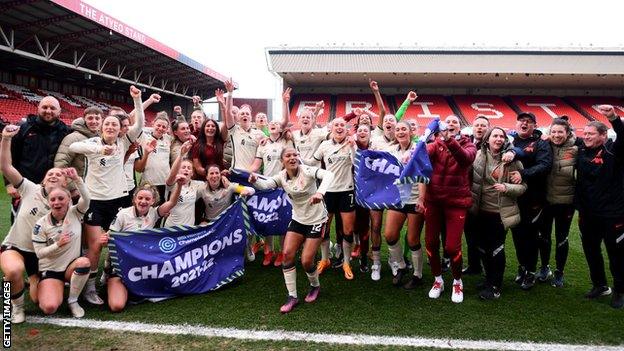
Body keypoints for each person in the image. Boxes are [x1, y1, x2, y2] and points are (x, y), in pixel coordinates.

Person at [68, 85, 145, 305]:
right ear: (101, 126)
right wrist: (99, 150)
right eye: (107, 123)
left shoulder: (124, 142)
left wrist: (137, 100)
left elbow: (139, 124)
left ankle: (109, 273)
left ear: (120, 128)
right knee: (95, 245)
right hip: (94, 201)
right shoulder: (93, 142)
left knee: (117, 242)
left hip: (119, 200)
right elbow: (73, 146)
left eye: (115, 124)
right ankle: (89, 288)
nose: (111, 126)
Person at [249, 147, 335, 313]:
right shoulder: (281, 176)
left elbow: (329, 175)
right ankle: (292, 296)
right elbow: (266, 185)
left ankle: (315, 286)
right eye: (288, 156)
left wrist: (320, 193)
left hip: (317, 220)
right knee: (287, 255)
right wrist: (254, 181)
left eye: (295, 155)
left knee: (306, 261)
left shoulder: (307, 170)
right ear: (282, 160)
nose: (292, 158)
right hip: (298, 219)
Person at [0, 125, 70, 323]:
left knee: (41, 301)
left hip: (42, 256)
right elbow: (5, 167)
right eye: (50, 174)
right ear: (43, 180)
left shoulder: (67, 203)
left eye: (59, 174)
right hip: (17, 247)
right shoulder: (30, 189)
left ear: (65, 183)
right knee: (13, 271)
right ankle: (13, 308)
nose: (54, 175)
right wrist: (6, 139)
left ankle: (28, 281)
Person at [104, 181, 184, 312]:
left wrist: (179, 186)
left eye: (147, 199)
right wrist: (106, 238)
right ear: (134, 199)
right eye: (140, 198)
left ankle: (135, 288)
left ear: (153, 201)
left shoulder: (153, 213)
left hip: (143, 265)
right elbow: (111, 236)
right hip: (122, 266)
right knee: (117, 306)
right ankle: (109, 276)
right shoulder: (123, 214)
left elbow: (171, 203)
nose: (143, 201)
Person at [575, 105, 624, 309]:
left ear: (603, 135)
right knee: (591, 250)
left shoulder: (613, 150)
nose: (586, 137)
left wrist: (613, 117)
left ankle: (620, 291)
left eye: (591, 134)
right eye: (584, 133)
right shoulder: (581, 151)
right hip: (587, 214)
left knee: (617, 254)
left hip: (613, 214)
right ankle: (600, 285)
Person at [424, 115, 477, 303]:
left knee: (452, 246)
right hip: (434, 201)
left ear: (460, 128)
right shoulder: (435, 144)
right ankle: (438, 280)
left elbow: (465, 159)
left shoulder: (469, 144)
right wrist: (413, 153)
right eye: (448, 122)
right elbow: (424, 153)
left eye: (455, 122)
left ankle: (457, 281)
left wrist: (449, 140)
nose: (451, 125)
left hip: (456, 202)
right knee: (430, 243)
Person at [470, 127, 527, 300]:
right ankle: (489, 278)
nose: (498, 139)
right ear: (487, 139)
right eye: (495, 135)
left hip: (499, 212)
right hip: (479, 210)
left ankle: (495, 286)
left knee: (496, 248)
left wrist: (507, 187)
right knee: (482, 247)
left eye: (501, 136)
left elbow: (523, 187)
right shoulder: (478, 156)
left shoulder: (512, 161)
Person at [32, 168, 91, 318]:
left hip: (71, 267)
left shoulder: (75, 213)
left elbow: (87, 199)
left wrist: (77, 179)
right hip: (52, 269)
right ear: (48, 202)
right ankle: (40, 283)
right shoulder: (41, 224)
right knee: (49, 307)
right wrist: (58, 244)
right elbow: (39, 253)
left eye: (61, 198)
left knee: (84, 262)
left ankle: (73, 300)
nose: (57, 202)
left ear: (69, 200)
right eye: (53, 199)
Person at [5, 96, 70, 223]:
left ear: (59, 111)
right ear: (38, 108)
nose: (48, 111)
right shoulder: (23, 129)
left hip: (54, 190)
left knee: (51, 229)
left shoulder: (65, 132)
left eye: (52, 108)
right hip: (25, 187)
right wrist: (9, 183)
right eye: (45, 107)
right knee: (21, 227)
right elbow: (11, 157)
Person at [508, 112, 553, 290]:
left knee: (531, 237)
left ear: (535, 125)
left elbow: (544, 166)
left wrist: (523, 174)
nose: (524, 124)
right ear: (516, 124)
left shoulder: (541, 143)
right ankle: (522, 267)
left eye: (528, 121)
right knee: (518, 236)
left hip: (534, 198)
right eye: (521, 121)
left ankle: (531, 272)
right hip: (513, 197)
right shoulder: (510, 141)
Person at [382, 122, 426, 289]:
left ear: (410, 132)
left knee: (412, 239)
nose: (400, 131)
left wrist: (422, 199)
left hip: (415, 199)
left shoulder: (418, 149)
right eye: (398, 129)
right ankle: (401, 266)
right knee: (390, 235)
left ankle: (418, 275)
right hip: (398, 199)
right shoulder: (391, 151)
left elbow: (422, 176)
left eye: (403, 129)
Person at [313, 118, 357, 280]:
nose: (339, 127)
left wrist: (352, 147)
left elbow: (355, 161)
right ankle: (325, 259)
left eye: (342, 125)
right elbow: (313, 161)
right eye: (336, 125)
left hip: (347, 191)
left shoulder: (352, 143)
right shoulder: (324, 145)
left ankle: (346, 262)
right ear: (331, 128)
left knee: (348, 230)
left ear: (346, 129)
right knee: (324, 227)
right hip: (327, 191)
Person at [537, 118, 578, 287]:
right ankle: (545, 267)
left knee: (562, 238)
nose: (556, 135)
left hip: (566, 202)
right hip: (546, 201)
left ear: (567, 133)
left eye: (560, 132)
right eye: (553, 131)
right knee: (544, 237)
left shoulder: (577, 148)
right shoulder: (544, 146)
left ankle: (559, 272)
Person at [250, 121, 294, 267]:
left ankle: (282, 252)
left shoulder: (287, 141)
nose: (273, 124)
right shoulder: (263, 144)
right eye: (271, 123)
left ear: (281, 128)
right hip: (267, 185)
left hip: (283, 186)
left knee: (282, 220)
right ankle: (269, 251)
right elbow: (256, 165)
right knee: (268, 219)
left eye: (276, 123)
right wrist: (248, 175)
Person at [463, 115, 491, 276]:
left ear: (488, 128)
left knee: (485, 236)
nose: (480, 128)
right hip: (468, 195)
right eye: (477, 125)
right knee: (471, 233)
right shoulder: (468, 144)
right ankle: (474, 265)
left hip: (486, 197)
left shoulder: (493, 144)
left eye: (483, 125)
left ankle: (487, 268)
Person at [54, 107, 103, 177]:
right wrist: (72, 185)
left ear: (102, 121)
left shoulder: (101, 140)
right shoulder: (73, 138)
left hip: (92, 186)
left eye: (97, 118)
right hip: (76, 186)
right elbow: (60, 165)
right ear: (84, 120)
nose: (94, 121)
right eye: (90, 118)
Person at [135, 115, 173, 201]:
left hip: (165, 182)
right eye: (158, 125)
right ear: (153, 124)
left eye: (164, 127)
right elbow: (137, 125)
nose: (160, 128)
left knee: (161, 209)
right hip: (148, 182)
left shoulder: (168, 139)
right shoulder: (144, 138)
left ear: (167, 129)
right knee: (147, 207)